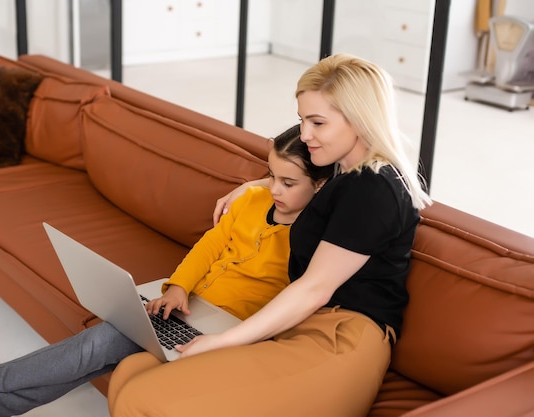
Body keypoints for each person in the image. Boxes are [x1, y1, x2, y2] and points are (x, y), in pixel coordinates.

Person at [0, 123, 333, 417]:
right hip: (184, 306)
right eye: (270, 175)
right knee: (101, 352)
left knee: (100, 343)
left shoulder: (318, 237)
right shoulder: (252, 201)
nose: (274, 189)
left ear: (321, 186)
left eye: (288, 183)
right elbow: (208, 246)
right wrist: (178, 287)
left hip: (226, 330)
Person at [106, 53, 433, 417]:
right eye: (302, 120)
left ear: (359, 118)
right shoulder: (345, 172)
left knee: (142, 399)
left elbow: (315, 288)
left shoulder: (373, 188)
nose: (305, 134)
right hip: (299, 325)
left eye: (317, 122)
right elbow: (308, 188)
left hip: (340, 338)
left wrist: (222, 342)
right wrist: (257, 184)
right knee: (130, 372)